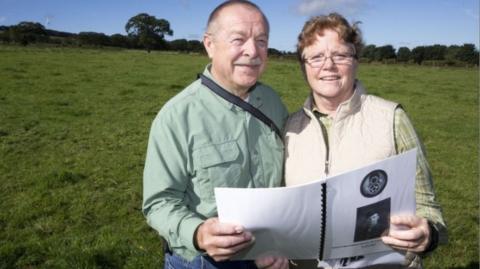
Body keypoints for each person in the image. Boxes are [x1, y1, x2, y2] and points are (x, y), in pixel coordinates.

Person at [283, 13, 447, 268]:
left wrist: (429, 234)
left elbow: (428, 207)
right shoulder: (289, 129)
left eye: (340, 55)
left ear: (356, 61)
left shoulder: (392, 118)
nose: (328, 65)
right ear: (303, 67)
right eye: (316, 57)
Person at [143, 1, 289, 268]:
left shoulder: (273, 103)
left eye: (261, 40)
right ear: (209, 44)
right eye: (238, 39)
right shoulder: (176, 117)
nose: (252, 51)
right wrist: (198, 233)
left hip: (265, 254)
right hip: (202, 261)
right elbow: (159, 202)